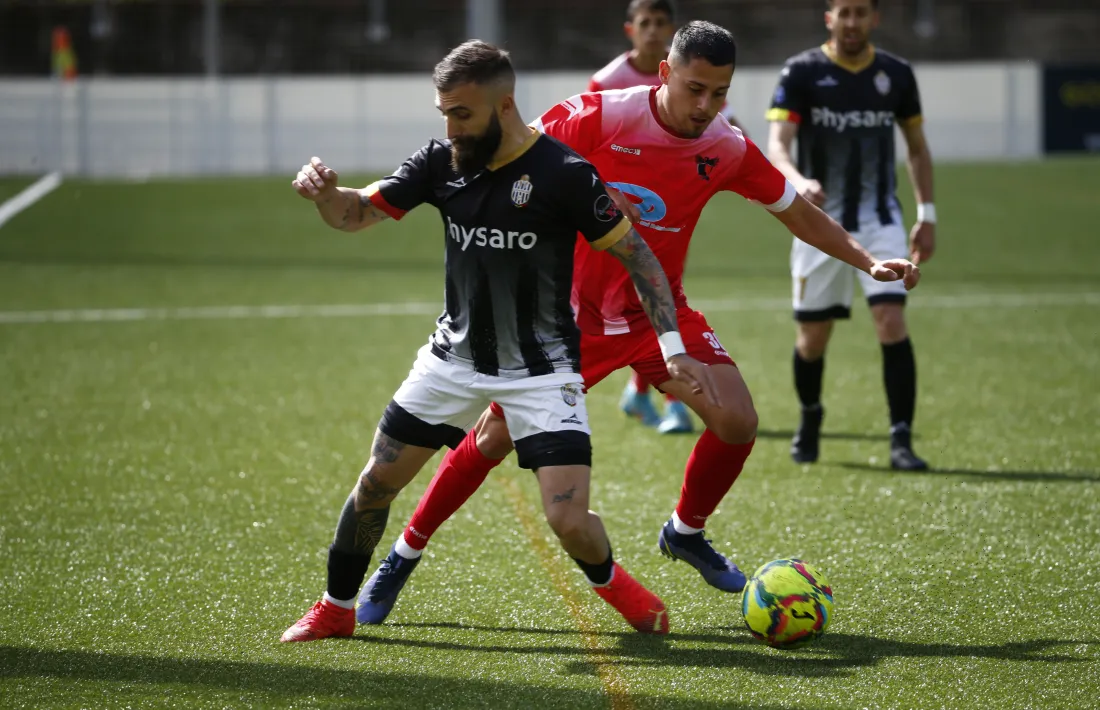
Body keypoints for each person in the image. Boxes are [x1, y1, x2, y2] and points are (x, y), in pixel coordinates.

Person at [353, 21, 921, 626]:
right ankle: (402, 556)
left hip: (658, 314)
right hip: (567, 322)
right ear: (665, 74)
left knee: (737, 420)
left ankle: (686, 531)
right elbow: (515, 153)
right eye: (695, 89)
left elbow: (794, 211)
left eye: (720, 93)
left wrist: (865, 260)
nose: (706, 106)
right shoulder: (601, 116)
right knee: (489, 441)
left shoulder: (726, 147)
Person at [280, 40, 720, 642]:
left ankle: (612, 581)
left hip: (544, 371)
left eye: (462, 113)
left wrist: (670, 343)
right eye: (444, 113)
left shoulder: (564, 174)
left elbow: (638, 256)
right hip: (451, 361)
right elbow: (358, 213)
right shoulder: (441, 162)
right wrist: (328, 196)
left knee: (567, 519)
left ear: (504, 106)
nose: (451, 126)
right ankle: (334, 608)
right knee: (376, 483)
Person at [766, 0, 935, 470]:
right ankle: (810, 416)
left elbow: (917, 150)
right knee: (812, 337)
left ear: (875, 18)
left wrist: (928, 212)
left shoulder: (897, 74)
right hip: (818, 222)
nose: (853, 22)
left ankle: (901, 439)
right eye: (845, 12)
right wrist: (798, 182)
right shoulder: (801, 72)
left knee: (891, 322)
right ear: (829, 17)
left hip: (881, 218)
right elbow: (777, 144)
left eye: (862, 13)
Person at [589, 0, 746, 435]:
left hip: (666, 215)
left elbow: (730, 132)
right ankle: (646, 395)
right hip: (610, 223)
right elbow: (586, 147)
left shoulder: (702, 83)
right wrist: (601, 195)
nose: (654, 29)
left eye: (662, 23)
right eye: (646, 23)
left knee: (659, 299)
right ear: (630, 29)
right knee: (625, 304)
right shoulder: (610, 81)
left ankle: (662, 397)